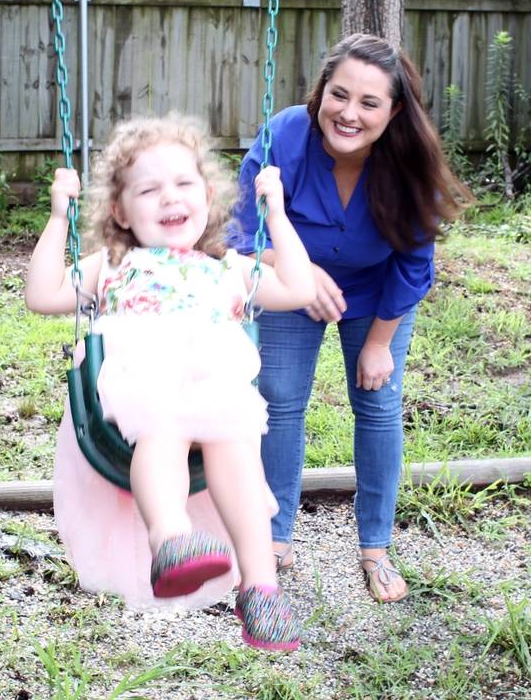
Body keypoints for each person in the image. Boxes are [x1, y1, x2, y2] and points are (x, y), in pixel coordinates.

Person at [24, 116, 315, 651]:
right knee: (165, 428)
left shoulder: (229, 267)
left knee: (237, 446)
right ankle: (171, 541)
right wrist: (58, 215)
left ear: (207, 196)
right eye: (148, 189)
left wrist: (276, 213)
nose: (169, 197)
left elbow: (299, 288)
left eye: (183, 183)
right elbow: (42, 295)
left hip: (217, 394)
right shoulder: (113, 266)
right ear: (120, 211)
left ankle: (260, 588)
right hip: (147, 392)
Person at [231, 33, 469, 603]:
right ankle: (273, 538)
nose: (349, 113)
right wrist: (299, 273)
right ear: (322, 92)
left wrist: (380, 343)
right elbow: (242, 234)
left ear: (394, 111)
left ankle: (376, 548)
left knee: (378, 403)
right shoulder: (286, 136)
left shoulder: (409, 161)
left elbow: (414, 264)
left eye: (369, 102)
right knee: (278, 399)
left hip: (378, 290)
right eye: (340, 95)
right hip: (292, 284)